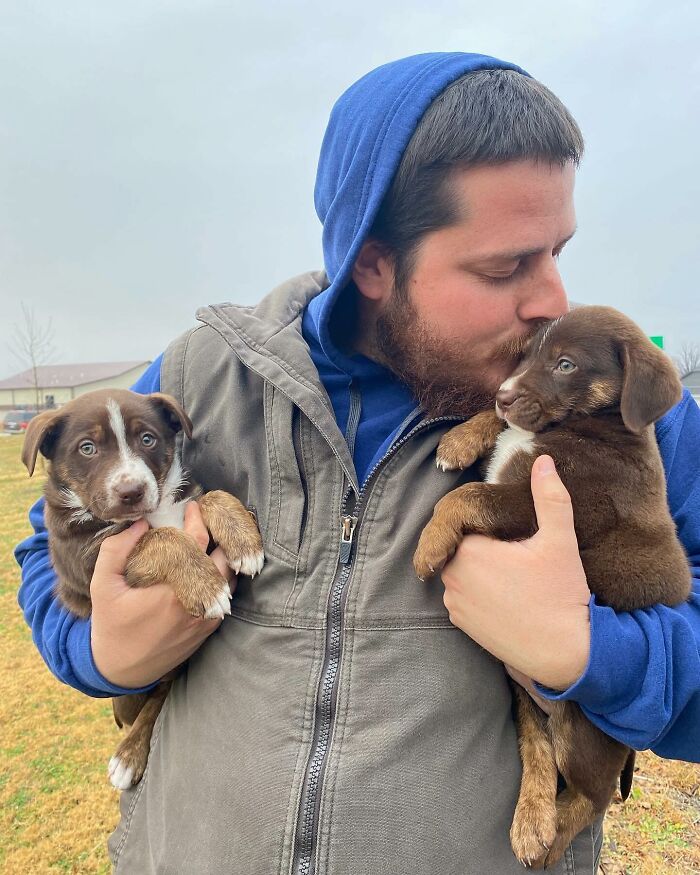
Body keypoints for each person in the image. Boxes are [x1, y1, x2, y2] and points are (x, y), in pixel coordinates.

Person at [16, 52, 700, 875]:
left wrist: (594, 653)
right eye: (505, 265)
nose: (551, 297)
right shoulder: (201, 377)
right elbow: (42, 548)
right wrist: (98, 654)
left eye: (557, 249)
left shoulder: (618, 412)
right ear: (372, 264)